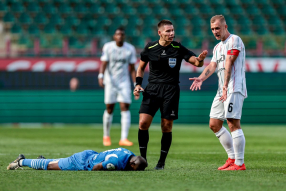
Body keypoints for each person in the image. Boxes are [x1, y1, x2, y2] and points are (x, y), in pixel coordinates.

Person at [133, 20, 208, 170]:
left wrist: (200, 60)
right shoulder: (150, 47)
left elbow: (196, 62)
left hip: (171, 90)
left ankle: (161, 162)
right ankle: (143, 160)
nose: (171, 33)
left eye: (172, 30)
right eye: (168, 31)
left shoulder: (178, 47)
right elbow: (140, 68)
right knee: (143, 123)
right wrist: (138, 84)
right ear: (160, 33)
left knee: (166, 126)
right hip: (152, 89)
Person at [189, 15, 247, 171]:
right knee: (214, 124)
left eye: (217, 28)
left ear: (225, 27)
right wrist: (201, 78)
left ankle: (239, 164)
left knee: (233, 122)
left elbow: (229, 61)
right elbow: (212, 65)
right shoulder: (217, 47)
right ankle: (231, 158)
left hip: (233, 87)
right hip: (222, 89)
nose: (215, 31)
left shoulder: (235, 40)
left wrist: (226, 85)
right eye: (213, 29)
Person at [98, 27, 137, 147]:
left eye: (122, 34)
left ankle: (123, 138)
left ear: (124, 36)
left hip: (124, 82)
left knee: (125, 107)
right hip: (111, 82)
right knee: (109, 108)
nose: (120, 36)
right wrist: (101, 76)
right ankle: (106, 136)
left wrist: (136, 83)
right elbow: (104, 63)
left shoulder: (130, 49)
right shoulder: (108, 47)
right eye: (117, 34)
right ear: (114, 36)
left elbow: (132, 68)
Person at [7, 148, 147, 171]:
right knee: (50, 166)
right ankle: (20, 161)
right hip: (82, 162)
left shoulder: (129, 153)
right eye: (134, 169)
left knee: (57, 162)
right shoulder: (116, 162)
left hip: (90, 154)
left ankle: (42, 160)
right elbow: (96, 168)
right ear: (132, 162)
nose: (132, 170)